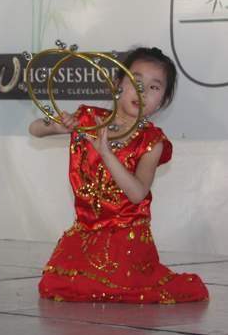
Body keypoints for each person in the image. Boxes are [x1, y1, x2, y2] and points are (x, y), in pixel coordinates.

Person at [30, 47, 209, 303]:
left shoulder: (152, 141)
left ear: (164, 100)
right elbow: (35, 129)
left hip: (126, 234)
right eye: (135, 82)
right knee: (57, 284)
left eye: (154, 87)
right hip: (86, 231)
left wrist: (107, 154)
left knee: (108, 286)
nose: (142, 92)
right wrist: (56, 125)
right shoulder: (90, 118)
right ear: (117, 84)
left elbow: (137, 194)